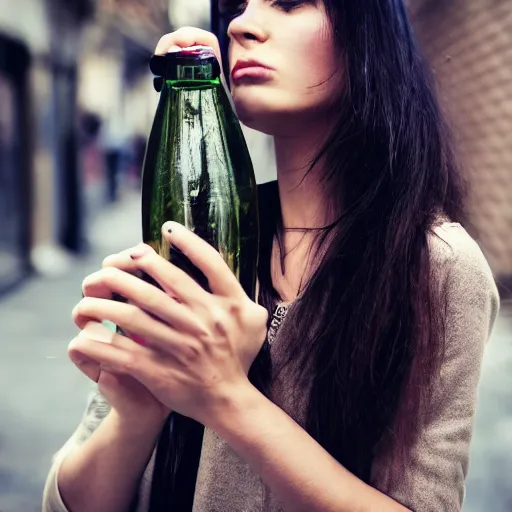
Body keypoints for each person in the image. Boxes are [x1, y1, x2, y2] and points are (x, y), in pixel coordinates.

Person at [42, 1, 500, 511]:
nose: (240, 24)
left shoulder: (436, 267)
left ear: (369, 33)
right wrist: (137, 414)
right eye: (234, 7)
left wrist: (227, 399)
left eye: (288, 1)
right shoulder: (196, 247)